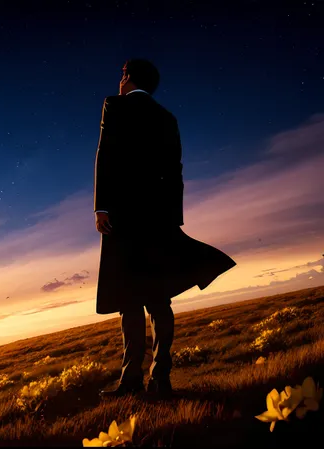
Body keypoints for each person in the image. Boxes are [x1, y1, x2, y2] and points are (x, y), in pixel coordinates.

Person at [93, 59, 236, 398]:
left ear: (129, 78)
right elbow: (175, 170)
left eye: (123, 74)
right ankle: (161, 378)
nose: (120, 79)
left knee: (128, 299)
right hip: (159, 219)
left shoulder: (115, 105)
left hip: (123, 219)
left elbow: (106, 154)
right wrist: (173, 218)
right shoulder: (167, 117)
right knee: (158, 299)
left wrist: (101, 206)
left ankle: (131, 381)